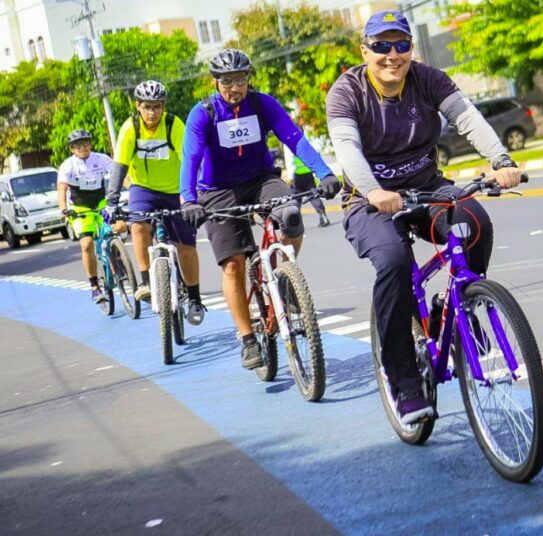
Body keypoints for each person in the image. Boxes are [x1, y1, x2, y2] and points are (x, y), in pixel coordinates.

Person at [325, 11, 523, 425]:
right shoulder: (347, 91)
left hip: (428, 186)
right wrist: (375, 191)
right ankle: (404, 380)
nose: (391, 55)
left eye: (400, 45)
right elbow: (347, 149)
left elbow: (467, 117)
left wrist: (501, 160)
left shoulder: (428, 79)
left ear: (411, 50)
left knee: (475, 222)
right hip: (368, 200)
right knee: (395, 262)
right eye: (381, 46)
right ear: (365, 51)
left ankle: (457, 305)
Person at [179, 48, 340, 370]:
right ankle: (247, 339)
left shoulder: (261, 103)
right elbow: (191, 158)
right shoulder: (204, 113)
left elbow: (295, 139)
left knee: (292, 216)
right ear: (215, 83)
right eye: (227, 82)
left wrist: (324, 172)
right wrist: (188, 199)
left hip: (261, 180)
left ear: (248, 79)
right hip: (218, 191)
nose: (234, 88)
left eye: (240, 80)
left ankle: (284, 277)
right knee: (233, 265)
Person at [105, 80, 206, 325]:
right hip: (144, 189)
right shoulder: (131, 128)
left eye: (157, 106)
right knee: (139, 225)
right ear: (138, 106)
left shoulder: (173, 124)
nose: (152, 112)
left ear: (164, 106)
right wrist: (111, 200)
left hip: (175, 190)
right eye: (147, 106)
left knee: (185, 244)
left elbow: (190, 158)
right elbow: (120, 165)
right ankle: (145, 283)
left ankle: (194, 298)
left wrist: (194, 193)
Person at [57, 129, 115, 303]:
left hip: (101, 203)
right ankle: (95, 286)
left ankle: (117, 261)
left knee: (119, 228)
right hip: (80, 208)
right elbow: (62, 188)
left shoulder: (102, 159)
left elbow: (119, 176)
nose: (82, 148)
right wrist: (63, 209)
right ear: (72, 149)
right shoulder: (68, 165)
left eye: (85, 143)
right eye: (77, 145)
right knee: (87, 244)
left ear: (90, 144)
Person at [285, 149, 331, 227]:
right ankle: (322, 215)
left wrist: (290, 177)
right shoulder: (304, 138)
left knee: (296, 197)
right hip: (308, 172)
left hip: (297, 174)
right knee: (313, 194)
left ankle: (295, 221)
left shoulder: (287, 141)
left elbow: (290, 160)